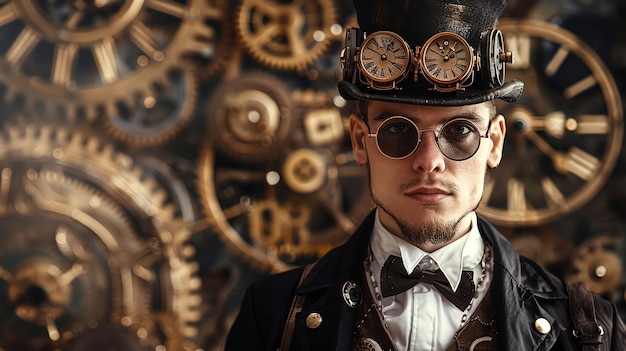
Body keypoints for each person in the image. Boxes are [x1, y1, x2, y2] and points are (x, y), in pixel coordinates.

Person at [225, 0, 626, 349]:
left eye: (460, 131)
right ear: (359, 141)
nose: (429, 161)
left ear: (496, 143)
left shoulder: (590, 330)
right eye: (398, 130)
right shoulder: (274, 316)